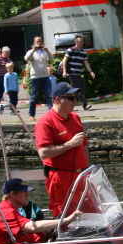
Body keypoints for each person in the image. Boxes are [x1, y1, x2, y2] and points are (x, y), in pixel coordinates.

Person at [0, 179, 81, 244]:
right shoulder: (6, 212)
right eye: (23, 192)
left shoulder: (6, 207)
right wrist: (66, 220)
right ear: (12, 194)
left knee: (40, 235)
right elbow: (32, 227)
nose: (27, 195)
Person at [34, 82, 89, 217]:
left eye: (75, 97)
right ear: (57, 99)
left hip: (81, 175)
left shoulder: (75, 117)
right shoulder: (45, 122)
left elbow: (84, 146)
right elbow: (43, 153)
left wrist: (88, 171)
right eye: (70, 98)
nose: (74, 101)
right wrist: (70, 144)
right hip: (60, 177)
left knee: (89, 211)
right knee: (64, 216)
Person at [61, 35, 95, 111]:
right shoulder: (71, 50)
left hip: (78, 73)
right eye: (80, 41)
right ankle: (84, 105)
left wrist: (91, 71)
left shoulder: (83, 52)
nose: (82, 42)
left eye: (83, 41)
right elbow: (65, 60)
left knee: (75, 90)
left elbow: (86, 62)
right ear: (76, 42)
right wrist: (64, 71)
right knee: (78, 89)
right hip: (72, 72)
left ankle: (70, 106)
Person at [25, 36, 53, 121]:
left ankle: (52, 114)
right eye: (38, 42)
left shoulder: (44, 52)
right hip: (35, 77)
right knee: (34, 97)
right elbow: (26, 58)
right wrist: (33, 50)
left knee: (49, 95)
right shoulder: (31, 52)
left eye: (41, 41)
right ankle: (31, 114)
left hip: (45, 77)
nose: (39, 43)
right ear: (34, 43)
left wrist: (47, 50)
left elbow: (51, 58)